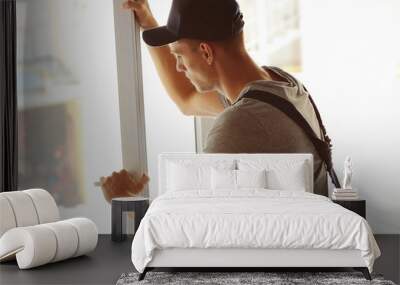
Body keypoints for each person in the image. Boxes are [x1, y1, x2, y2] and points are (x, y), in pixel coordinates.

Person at [101, 0, 329, 198]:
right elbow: (186, 99)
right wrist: (148, 22)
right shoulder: (280, 84)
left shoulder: (239, 123)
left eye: (179, 55)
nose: (179, 66)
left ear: (206, 52)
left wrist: (125, 201)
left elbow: (192, 225)